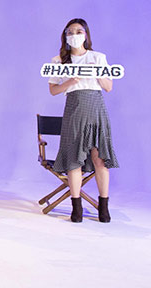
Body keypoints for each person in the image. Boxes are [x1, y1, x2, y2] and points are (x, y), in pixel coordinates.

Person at [48, 18, 118, 223]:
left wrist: (97, 73)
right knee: (74, 159)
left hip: (95, 108)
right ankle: (76, 206)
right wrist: (70, 81)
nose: (74, 35)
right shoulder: (59, 61)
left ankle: (103, 206)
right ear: (65, 36)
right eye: (70, 32)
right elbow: (53, 90)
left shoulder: (98, 57)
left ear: (86, 34)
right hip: (74, 108)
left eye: (79, 31)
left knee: (99, 158)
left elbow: (108, 87)